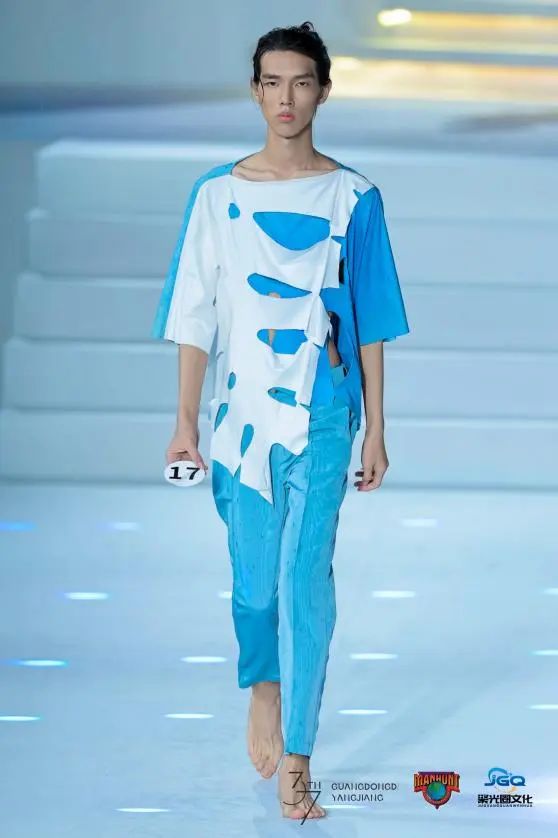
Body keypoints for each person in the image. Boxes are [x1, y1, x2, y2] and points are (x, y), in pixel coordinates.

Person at [151, 21, 410, 821]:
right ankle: (262, 682)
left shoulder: (355, 198)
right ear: (256, 91)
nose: (287, 97)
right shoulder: (217, 197)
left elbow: (370, 318)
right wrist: (185, 422)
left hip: (325, 410)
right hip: (239, 420)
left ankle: (300, 756)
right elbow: (194, 315)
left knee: (305, 580)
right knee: (254, 587)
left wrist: (376, 426)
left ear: (323, 91)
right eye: (273, 82)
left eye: (302, 82)